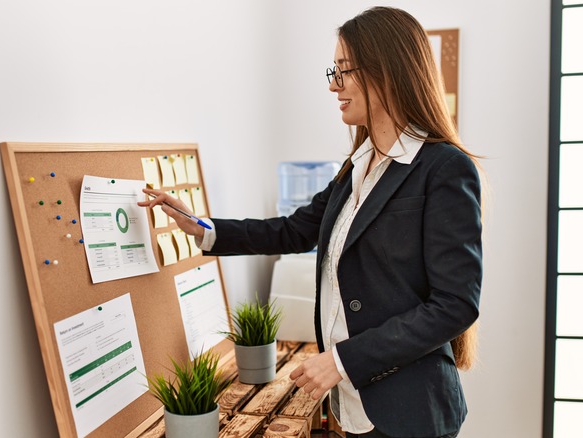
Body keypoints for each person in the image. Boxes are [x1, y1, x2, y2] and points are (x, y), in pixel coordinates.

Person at [138, 6, 482, 438]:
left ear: (387, 72)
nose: (334, 86)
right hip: (353, 407)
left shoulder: (443, 168)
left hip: (409, 413)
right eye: (332, 71)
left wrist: (341, 360)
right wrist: (204, 228)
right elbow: (294, 230)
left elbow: (455, 305)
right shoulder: (356, 167)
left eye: (344, 71)